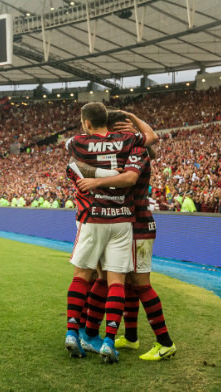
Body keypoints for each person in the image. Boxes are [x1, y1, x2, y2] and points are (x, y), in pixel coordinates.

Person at [71, 112, 176, 361]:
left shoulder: (131, 158)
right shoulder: (130, 153)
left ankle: (165, 342)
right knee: (122, 282)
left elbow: (150, 142)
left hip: (137, 226)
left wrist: (93, 179)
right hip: (126, 224)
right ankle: (129, 336)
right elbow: (149, 141)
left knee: (136, 284)